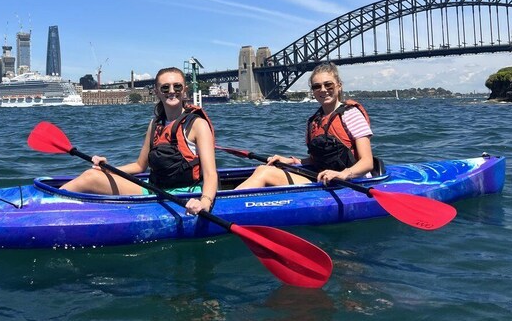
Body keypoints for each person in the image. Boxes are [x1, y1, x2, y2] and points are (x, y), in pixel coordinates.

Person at [61, 67, 218, 215]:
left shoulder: (198, 125)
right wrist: (107, 168)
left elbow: (210, 174)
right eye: (165, 87)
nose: (172, 91)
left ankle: (46, 206)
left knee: (90, 178)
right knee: (93, 174)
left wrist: (205, 202)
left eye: (177, 87)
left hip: (184, 194)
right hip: (154, 190)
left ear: (184, 90)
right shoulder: (155, 124)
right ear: (157, 92)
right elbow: (139, 166)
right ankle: (48, 203)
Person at [235, 62, 374, 189]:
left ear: (339, 85)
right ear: (312, 91)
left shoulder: (351, 115)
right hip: (323, 180)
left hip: (350, 183)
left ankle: (222, 209)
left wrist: (344, 174)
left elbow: (367, 163)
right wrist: (291, 161)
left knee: (265, 173)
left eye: (328, 84)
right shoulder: (314, 121)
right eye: (317, 86)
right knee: (261, 169)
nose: (323, 90)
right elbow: (317, 160)